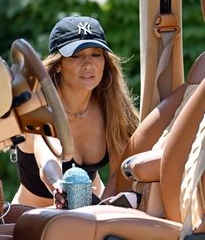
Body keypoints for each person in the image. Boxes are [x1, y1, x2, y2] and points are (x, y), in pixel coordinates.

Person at [12, 16, 139, 208]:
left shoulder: (111, 107)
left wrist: (106, 209)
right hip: (30, 220)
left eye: (96, 54)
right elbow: (46, 157)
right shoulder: (38, 106)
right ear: (59, 65)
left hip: (86, 218)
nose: (88, 64)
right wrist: (57, 184)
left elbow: (119, 172)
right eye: (76, 55)